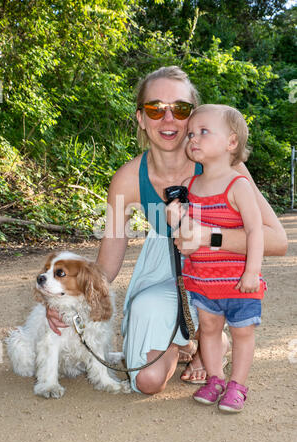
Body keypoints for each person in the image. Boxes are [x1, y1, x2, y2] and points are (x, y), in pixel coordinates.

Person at [47, 66, 287, 395]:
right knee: (146, 381)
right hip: (164, 274)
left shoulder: (225, 165)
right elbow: (106, 267)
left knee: (209, 310)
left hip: (217, 273)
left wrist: (207, 237)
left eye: (181, 109)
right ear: (141, 119)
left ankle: (210, 337)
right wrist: (66, 298)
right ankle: (187, 343)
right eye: (155, 109)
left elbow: (277, 240)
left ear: (194, 116)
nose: (169, 119)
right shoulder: (128, 179)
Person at [167, 104, 266, 412]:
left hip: (238, 281)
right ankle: (215, 378)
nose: (193, 139)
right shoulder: (189, 188)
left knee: (241, 332)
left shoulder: (239, 185)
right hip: (203, 280)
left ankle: (237, 385)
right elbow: (185, 236)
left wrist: (253, 272)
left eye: (204, 132)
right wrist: (174, 219)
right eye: (191, 134)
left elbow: (255, 231)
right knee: (208, 330)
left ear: (231, 143)